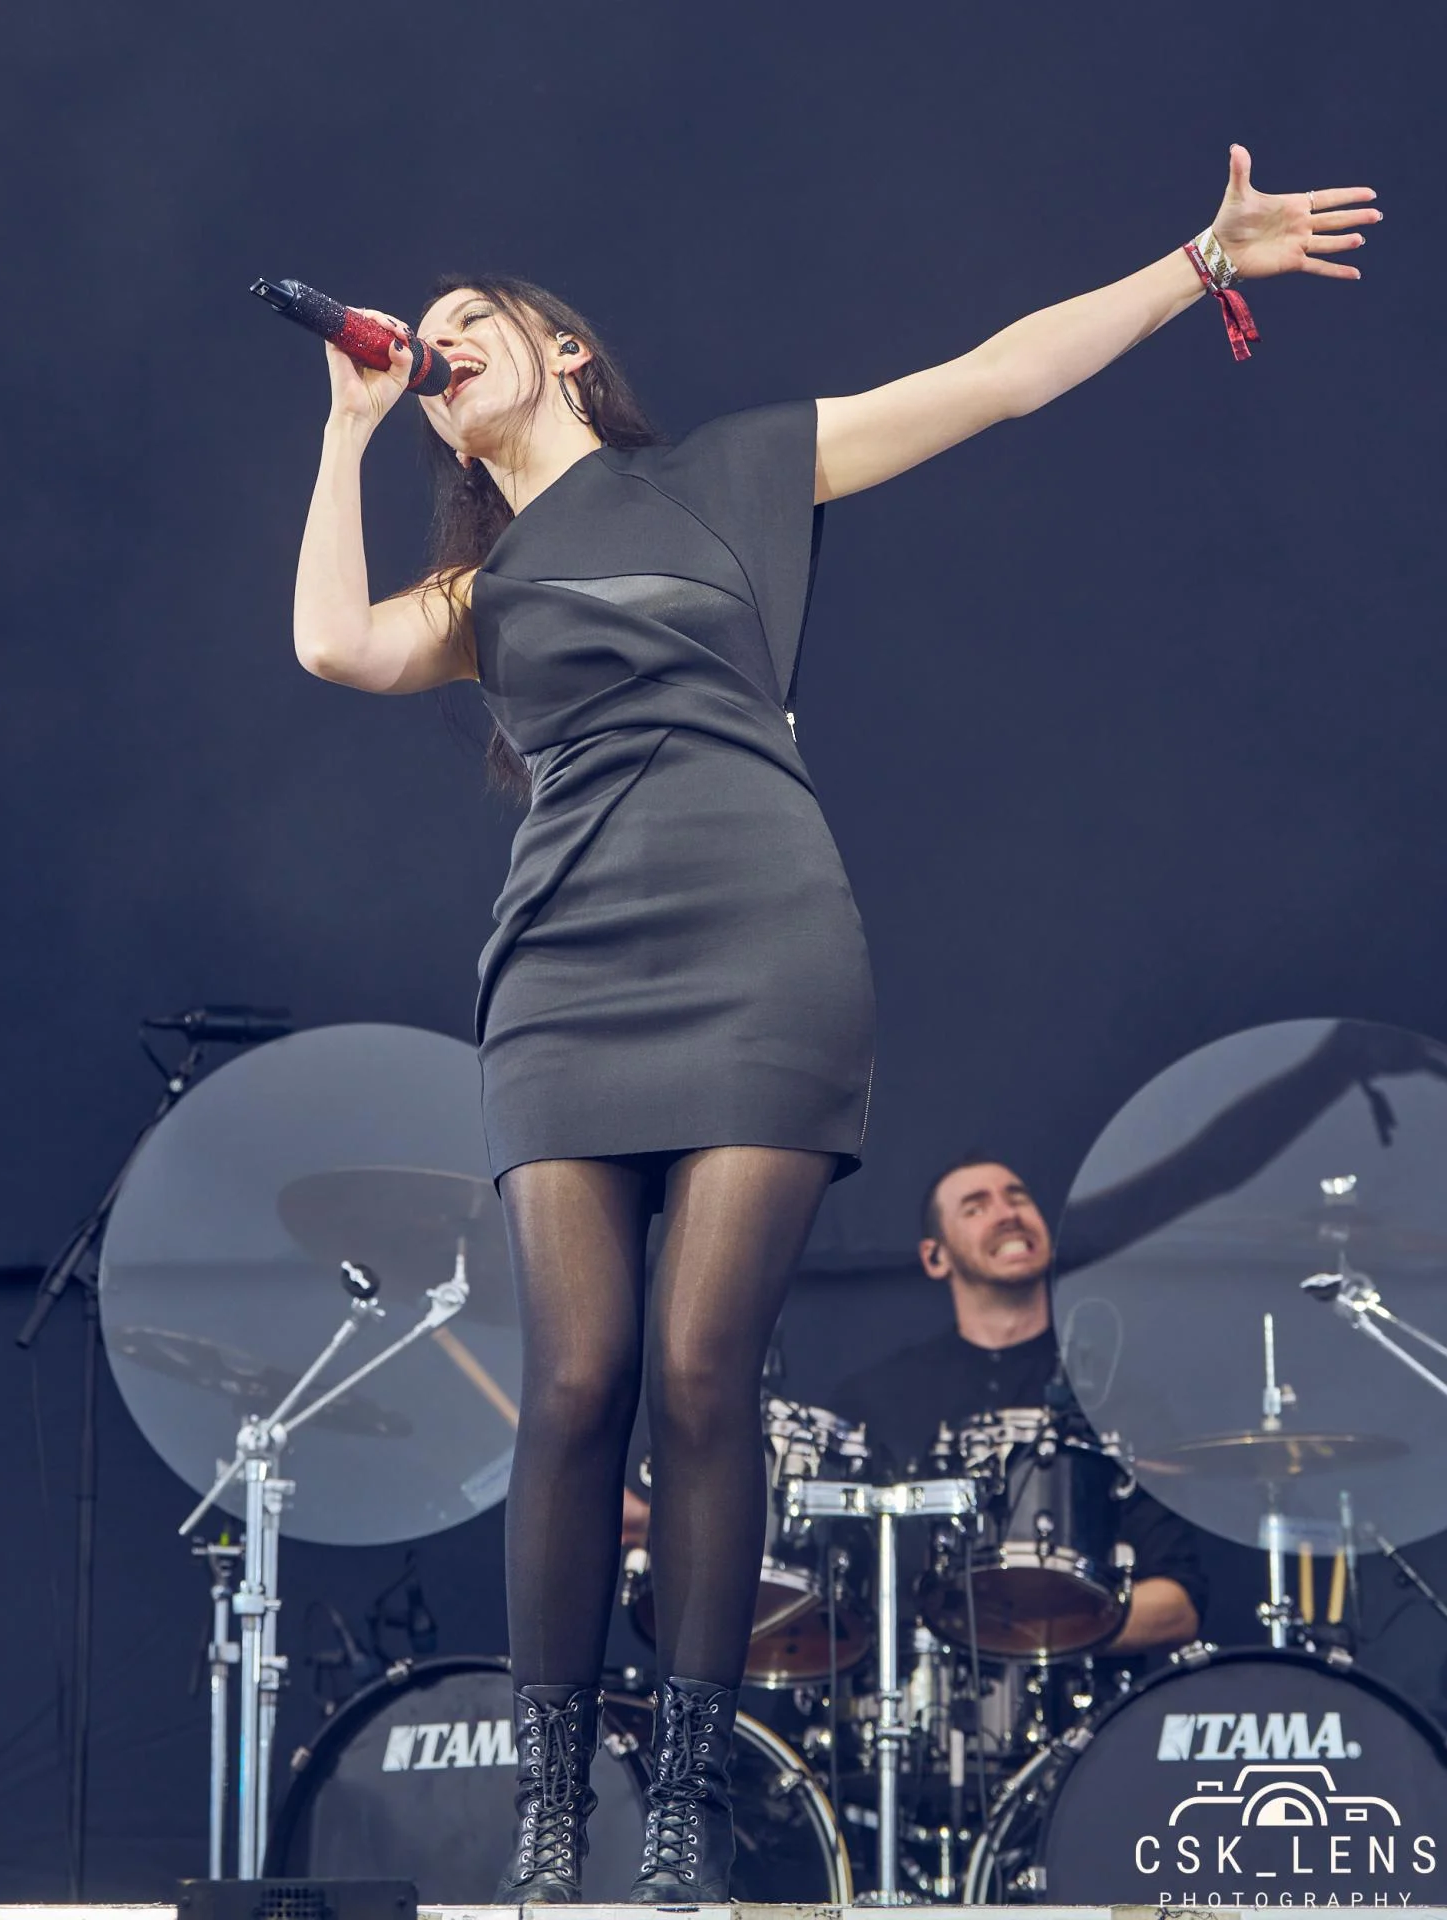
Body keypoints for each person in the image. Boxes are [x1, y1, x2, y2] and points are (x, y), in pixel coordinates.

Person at [289, 148, 1378, 1903]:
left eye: (468, 320)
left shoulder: (733, 473)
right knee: (573, 1379)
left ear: (564, 350)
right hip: (563, 969)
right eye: (423, 345)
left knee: (700, 1373)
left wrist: (1198, 260)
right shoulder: (484, 594)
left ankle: (689, 1809)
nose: (438, 346)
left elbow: (999, 377)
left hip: (760, 946)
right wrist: (350, 431)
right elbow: (333, 646)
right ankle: (561, 1815)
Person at [833, 1158, 1206, 1652]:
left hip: (1082, 1694)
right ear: (935, 1257)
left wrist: (1026, 1635)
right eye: (976, 1207)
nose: (1007, 1214)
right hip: (916, 1688)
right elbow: (834, 1602)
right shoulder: (876, 1402)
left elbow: (1179, 1606)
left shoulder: (1117, 1397)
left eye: (1018, 1198)